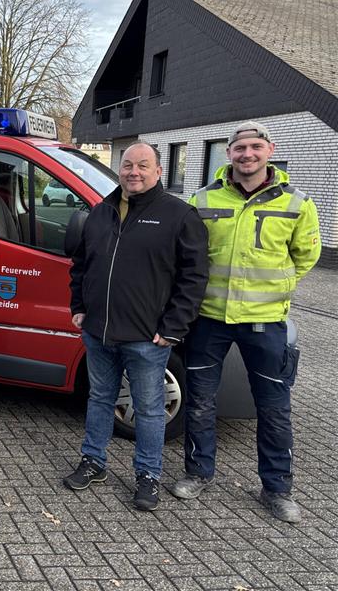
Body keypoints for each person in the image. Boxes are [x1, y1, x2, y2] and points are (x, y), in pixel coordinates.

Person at [171, 121, 320, 523]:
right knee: (200, 401)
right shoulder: (203, 199)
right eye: (239, 148)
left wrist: (278, 288)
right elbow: (187, 254)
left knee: (274, 407)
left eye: (255, 147)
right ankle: (197, 473)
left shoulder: (296, 202)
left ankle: (277, 489)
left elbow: (306, 257)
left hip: (265, 322)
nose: (247, 154)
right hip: (209, 319)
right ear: (229, 154)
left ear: (270, 151)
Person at [64, 142, 208, 512]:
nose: (134, 172)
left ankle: (147, 474)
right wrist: (79, 306)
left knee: (148, 408)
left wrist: (173, 326)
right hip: (98, 332)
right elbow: (81, 264)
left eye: (143, 165)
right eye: (128, 165)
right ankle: (94, 461)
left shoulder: (179, 215)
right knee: (99, 399)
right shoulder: (102, 211)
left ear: (159, 171)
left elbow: (194, 278)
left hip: (147, 337)